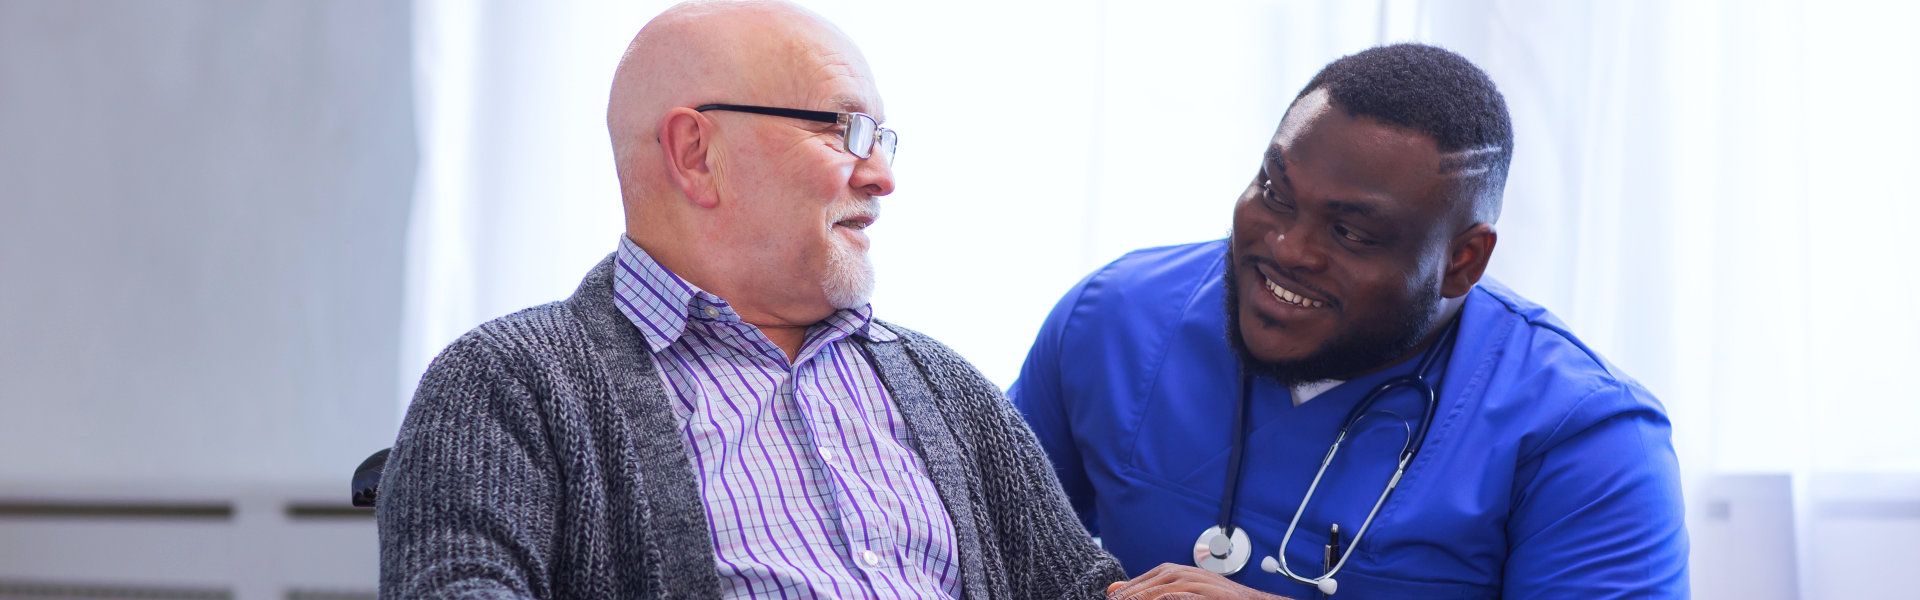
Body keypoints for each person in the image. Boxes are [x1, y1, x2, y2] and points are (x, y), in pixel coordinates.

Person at [377, 2, 1123, 597]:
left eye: (883, 140)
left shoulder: (949, 390)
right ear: (698, 155)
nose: (880, 177)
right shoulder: (509, 382)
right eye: (843, 130)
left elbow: (1079, 588)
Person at [1011, 44, 1687, 599]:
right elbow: (975, 560)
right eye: (1275, 192)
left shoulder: (1586, 437)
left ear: (1463, 261)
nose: (1287, 249)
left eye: (1351, 233)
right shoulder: (1114, 320)